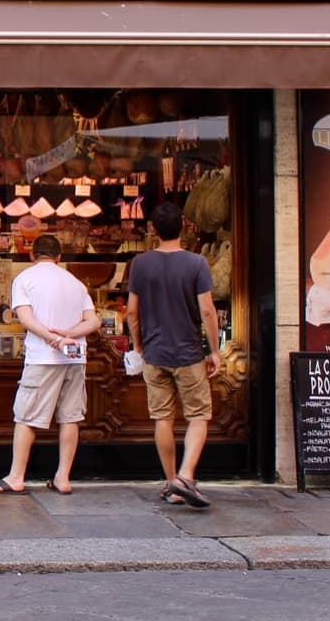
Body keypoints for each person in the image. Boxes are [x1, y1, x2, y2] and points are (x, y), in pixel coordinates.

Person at [0, 233, 100, 495]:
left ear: (31, 255)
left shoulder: (25, 278)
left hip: (44, 357)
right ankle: (63, 477)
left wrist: (53, 337)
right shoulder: (75, 282)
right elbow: (93, 322)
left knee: (26, 416)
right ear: (60, 257)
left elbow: (26, 319)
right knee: (70, 417)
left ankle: (16, 476)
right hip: (75, 355)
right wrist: (69, 334)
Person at [126, 200, 223, 510]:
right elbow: (207, 310)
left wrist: (138, 344)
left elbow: (131, 311)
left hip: (155, 353)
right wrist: (216, 350)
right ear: (183, 226)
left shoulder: (141, 264)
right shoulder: (197, 263)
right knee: (198, 417)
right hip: (189, 352)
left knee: (162, 418)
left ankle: (172, 483)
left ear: (153, 230)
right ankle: (185, 475)